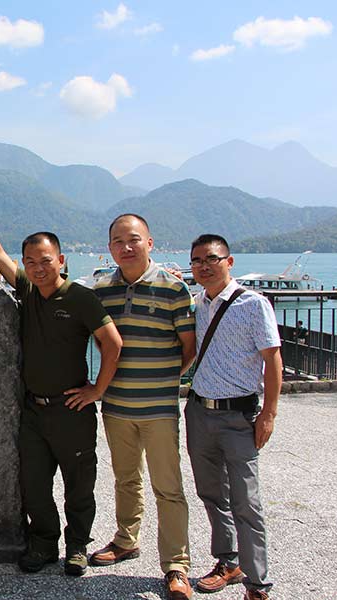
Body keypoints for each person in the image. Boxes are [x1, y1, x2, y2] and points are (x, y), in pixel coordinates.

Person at [0, 199, 123, 577]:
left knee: (78, 485)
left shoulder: (80, 298)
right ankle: (43, 543)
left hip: (71, 410)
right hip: (34, 412)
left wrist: (97, 390)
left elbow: (113, 343)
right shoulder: (26, 290)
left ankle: (77, 546)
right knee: (34, 486)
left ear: (61, 260)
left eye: (45, 260)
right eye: (31, 261)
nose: (38, 268)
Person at [90, 214, 197, 600]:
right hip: (116, 406)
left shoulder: (174, 288)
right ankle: (126, 539)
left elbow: (189, 348)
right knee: (125, 479)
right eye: (118, 241)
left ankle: (176, 565)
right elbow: (102, 342)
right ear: (110, 248)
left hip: (159, 409)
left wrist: (163, 380)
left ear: (149, 243)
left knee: (168, 487)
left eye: (133, 239)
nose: (126, 247)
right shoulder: (101, 291)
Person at [185, 234, 281, 600]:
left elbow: (273, 360)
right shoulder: (198, 304)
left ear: (229, 261)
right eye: (197, 261)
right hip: (199, 411)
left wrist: (268, 414)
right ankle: (228, 561)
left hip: (238, 414)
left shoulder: (253, 305)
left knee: (246, 500)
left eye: (211, 258)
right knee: (211, 492)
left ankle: (258, 584)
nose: (204, 266)